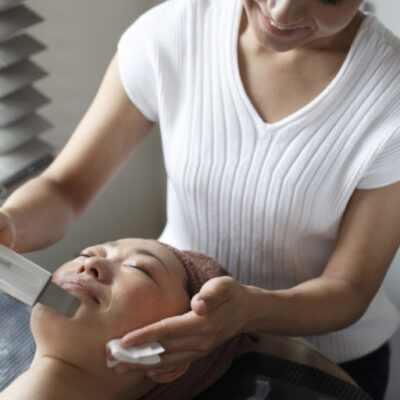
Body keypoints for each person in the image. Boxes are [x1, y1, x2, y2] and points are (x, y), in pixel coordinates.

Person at [0, 0, 399, 399]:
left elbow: (348, 287)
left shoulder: (390, 95)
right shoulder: (171, 33)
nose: (280, 13)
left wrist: (249, 310)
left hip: (318, 362)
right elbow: (65, 188)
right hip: (164, 337)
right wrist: (11, 223)